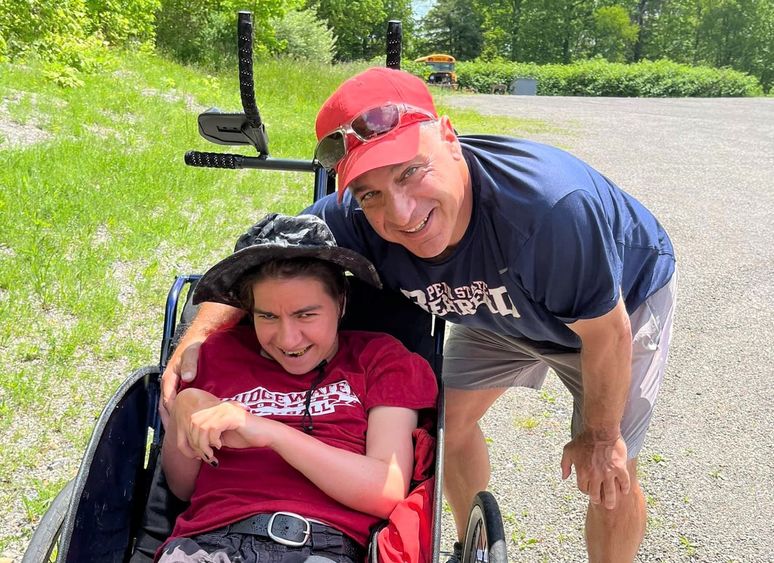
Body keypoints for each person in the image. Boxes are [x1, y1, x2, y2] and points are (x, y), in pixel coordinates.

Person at [162, 68, 677, 563]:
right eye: (372, 194)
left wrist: (600, 437)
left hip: (607, 314)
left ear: (449, 138)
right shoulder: (351, 219)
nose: (401, 214)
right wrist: (194, 340)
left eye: (412, 173)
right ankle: (455, 539)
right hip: (491, 310)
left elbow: (608, 335)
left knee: (611, 472)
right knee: (449, 428)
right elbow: (262, 261)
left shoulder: (549, 209)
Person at [159, 213, 438, 563]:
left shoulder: (380, 359)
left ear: (341, 303)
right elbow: (181, 487)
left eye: (306, 315)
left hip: (321, 546)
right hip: (204, 543)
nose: (288, 339)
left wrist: (265, 431)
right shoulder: (218, 354)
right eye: (267, 317)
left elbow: (386, 489)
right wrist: (186, 408)